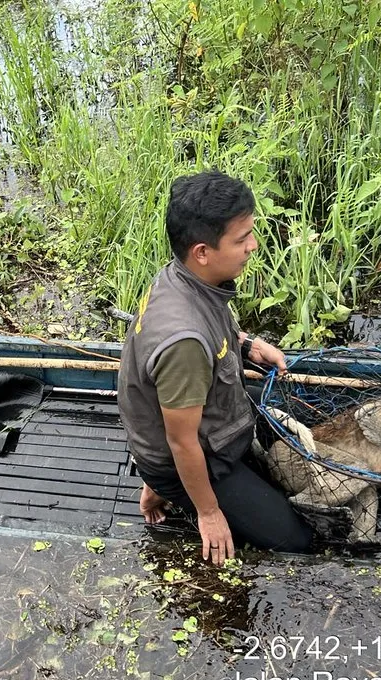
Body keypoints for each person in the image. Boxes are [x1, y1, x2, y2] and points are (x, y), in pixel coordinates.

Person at [117, 171, 313, 565]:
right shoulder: (183, 342)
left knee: (300, 409)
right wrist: (208, 514)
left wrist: (247, 346)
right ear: (202, 251)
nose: (253, 246)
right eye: (241, 240)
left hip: (200, 416)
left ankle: (162, 483)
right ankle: (166, 487)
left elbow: (213, 329)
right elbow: (181, 443)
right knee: (296, 542)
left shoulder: (183, 277)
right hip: (185, 455)